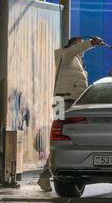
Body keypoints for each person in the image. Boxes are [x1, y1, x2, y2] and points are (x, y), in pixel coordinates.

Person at [39, 35, 104, 191]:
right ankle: (45, 176)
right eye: (79, 45)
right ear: (72, 45)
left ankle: (46, 176)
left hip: (69, 101)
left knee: (65, 138)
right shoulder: (65, 54)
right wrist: (92, 43)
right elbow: (75, 49)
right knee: (61, 138)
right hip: (62, 101)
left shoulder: (77, 62)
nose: (82, 49)